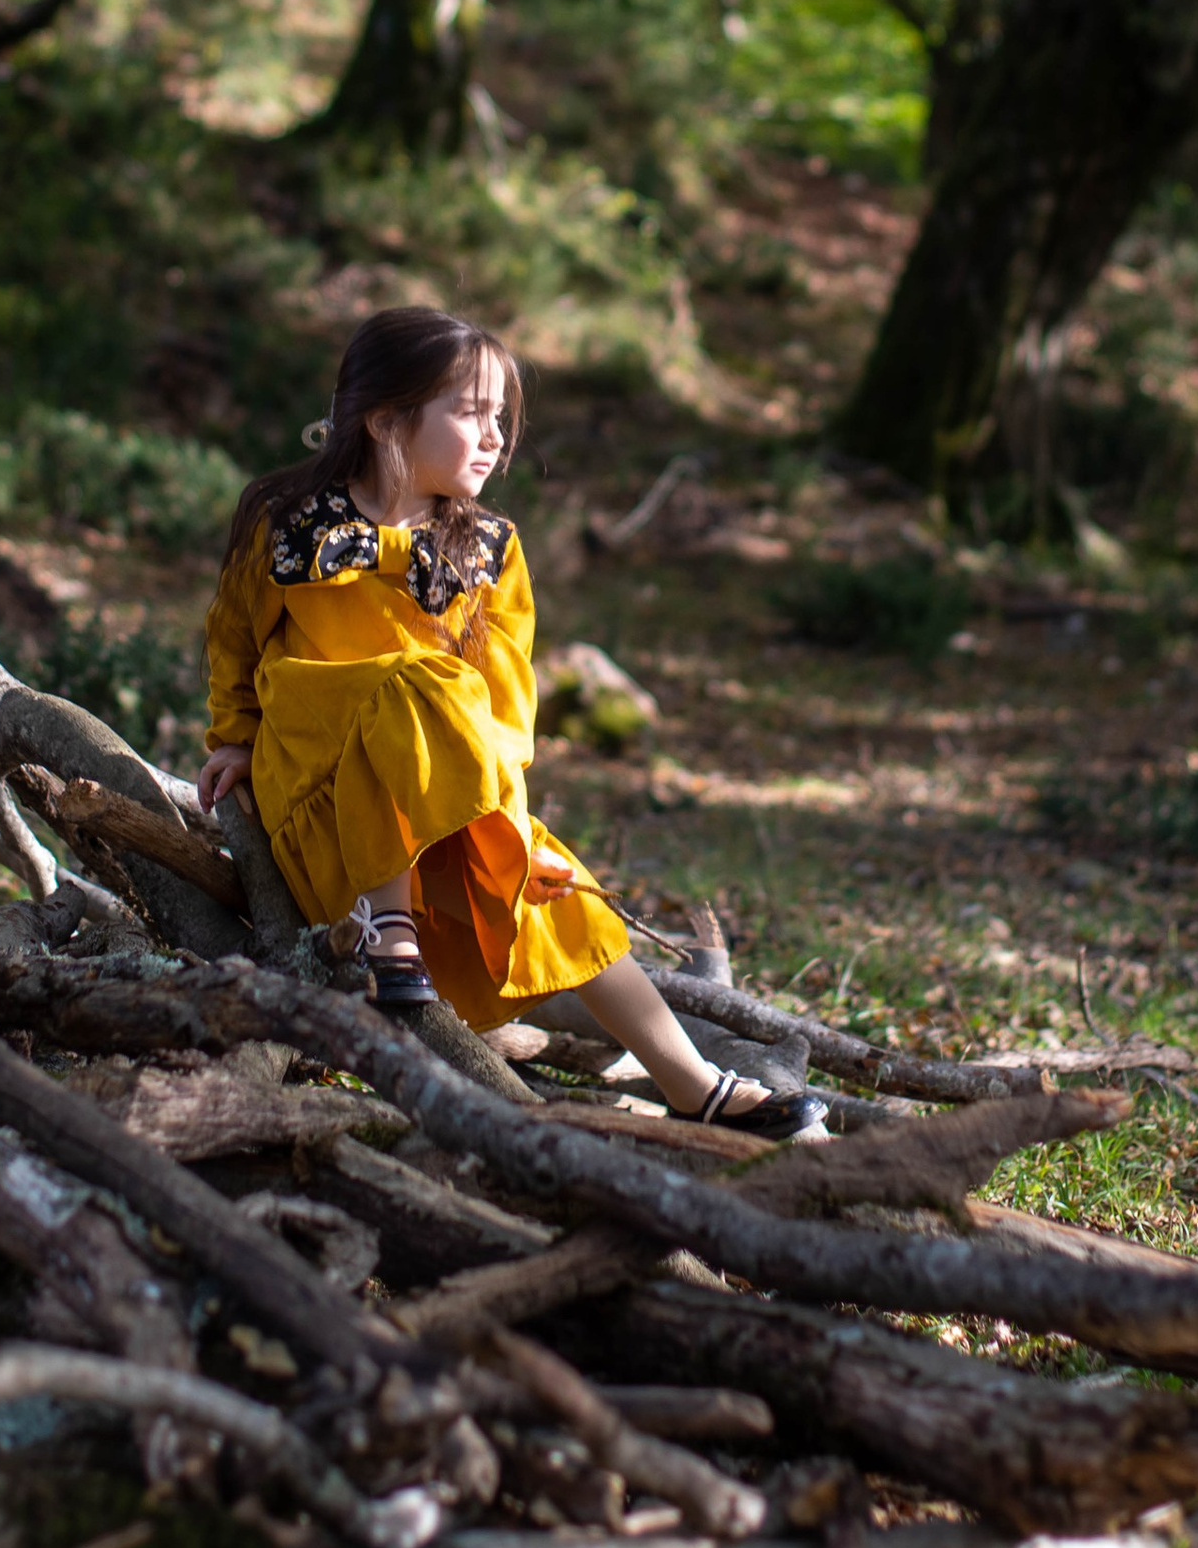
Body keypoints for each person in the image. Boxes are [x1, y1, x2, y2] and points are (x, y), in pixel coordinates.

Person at [198, 304, 825, 1136]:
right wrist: (233, 738)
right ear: (386, 421)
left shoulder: (489, 547)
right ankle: (388, 930)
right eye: (469, 412)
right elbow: (234, 637)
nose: (494, 437)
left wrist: (506, 825)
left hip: (446, 791)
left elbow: (505, 700)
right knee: (415, 679)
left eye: (501, 417)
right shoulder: (289, 523)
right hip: (325, 796)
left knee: (561, 894)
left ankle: (694, 1082)